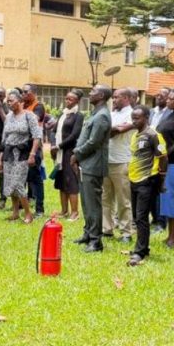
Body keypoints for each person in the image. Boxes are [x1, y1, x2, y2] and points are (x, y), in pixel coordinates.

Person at [72, 85, 113, 253]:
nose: (90, 93)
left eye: (94, 91)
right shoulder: (95, 113)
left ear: (102, 95)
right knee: (86, 202)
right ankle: (88, 233)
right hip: (86, 163)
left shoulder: (102, 116)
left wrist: (76, 154)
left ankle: (96, 241)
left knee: (93, 204)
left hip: (93, 164)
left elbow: (94, 142)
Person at [126, 105, 168, 266]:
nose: (134, 121)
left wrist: (161, 180)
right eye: (133, 118)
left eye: (137, 118)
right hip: (134, 179)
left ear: (146, 118)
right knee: (137, 217)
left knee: (142, 217)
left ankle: (140, 251)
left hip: (147, 181)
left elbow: (163, 157)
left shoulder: (154, 135)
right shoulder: (135, 135)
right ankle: (142, 246)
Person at [0, 89, 42, 223]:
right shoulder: (8, 117)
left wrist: (32, 154)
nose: (9, 103)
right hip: (8, 154)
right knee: (10, 183)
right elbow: (4, 139)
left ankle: (28, 214)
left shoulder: (29, 116)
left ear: (20, 101)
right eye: (8, 101)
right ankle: (15, 212)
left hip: (22, 154)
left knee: (18, 183)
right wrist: (0, 160)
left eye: (11, 101)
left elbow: (37, 136)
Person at [103, 88, 136, 243]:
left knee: (123, 199)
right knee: (105, 198)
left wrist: (112, 129)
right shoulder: (112, 114)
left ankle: (126, 232)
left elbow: (116, 132)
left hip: (122, 161)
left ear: (127, 98)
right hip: (107, 160)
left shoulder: (132, 114)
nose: (114, 100)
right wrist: (113, 129)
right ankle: (107, 229)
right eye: (113, 97)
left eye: (117, 97)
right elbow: (108, 131)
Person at [157, 88, 174, 248]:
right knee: (167, 200)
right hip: (164, 162)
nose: (167, 100)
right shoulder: (169, 113)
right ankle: (169, 235)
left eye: (171, 98)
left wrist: (166, 154)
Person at [53, 89, 84, 220]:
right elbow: (55, 130)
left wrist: (59, 146)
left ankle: (75, 212)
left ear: (77, 101)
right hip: (59, 153)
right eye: (66, 98)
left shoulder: (79, 116)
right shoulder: (63, 114)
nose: (67, 101)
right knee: (61, 181)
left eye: (70, 99)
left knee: (71, 182)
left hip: (70, 152)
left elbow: (74, 135)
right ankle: (64, 210)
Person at [22, 83, 47, 214]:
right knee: (22, 178)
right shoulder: (22, 105)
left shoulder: (39, 106)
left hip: (34, 146)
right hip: (21, 147)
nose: (23, 94)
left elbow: (33, 119)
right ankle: (22, 205)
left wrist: (19, 113)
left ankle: (39, 208)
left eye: (26, 92)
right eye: (22, 92)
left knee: (36, 179)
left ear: (33, 93)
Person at [149, 87, 171, 232]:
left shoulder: (171, 114)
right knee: (150, 189)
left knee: (160, 189)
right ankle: (155, 218)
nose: (159, 97)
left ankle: (162, 221)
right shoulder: (151, 112)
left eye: (162, 95)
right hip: (149, 155)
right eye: (158, 94)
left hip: (163, 155)